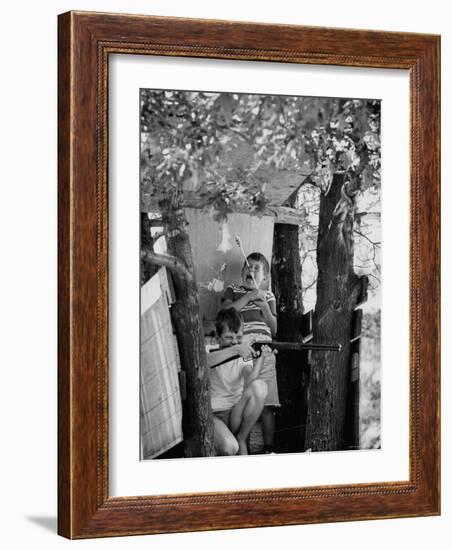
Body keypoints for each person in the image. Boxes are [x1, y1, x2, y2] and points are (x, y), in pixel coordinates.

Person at [221, 252, 280, 454]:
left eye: (257, 268)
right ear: (241, 273)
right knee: (243, 395)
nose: (251, 270)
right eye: (248, 266)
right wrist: (248, 297)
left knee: (267, 403)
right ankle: (239, 440)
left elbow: (274, 328)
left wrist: (263, 304)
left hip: (264, 352)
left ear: (264, 278)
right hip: (242, 350)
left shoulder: (268, 296)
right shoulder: (234, 290)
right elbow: (227, 314)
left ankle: (268, 449)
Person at [206, 308, 272, 456]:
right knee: (230, 447)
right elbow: (205, 362)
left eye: (239, 337)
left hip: (236, 412)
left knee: (260, 387)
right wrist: (235, 349)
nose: (235, 341)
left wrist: (261, 359)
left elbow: (250, 381)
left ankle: (242, 437)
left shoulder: (243, 354)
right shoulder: (209, 349)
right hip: (215, 414)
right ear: (218, 337)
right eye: (229, 337)